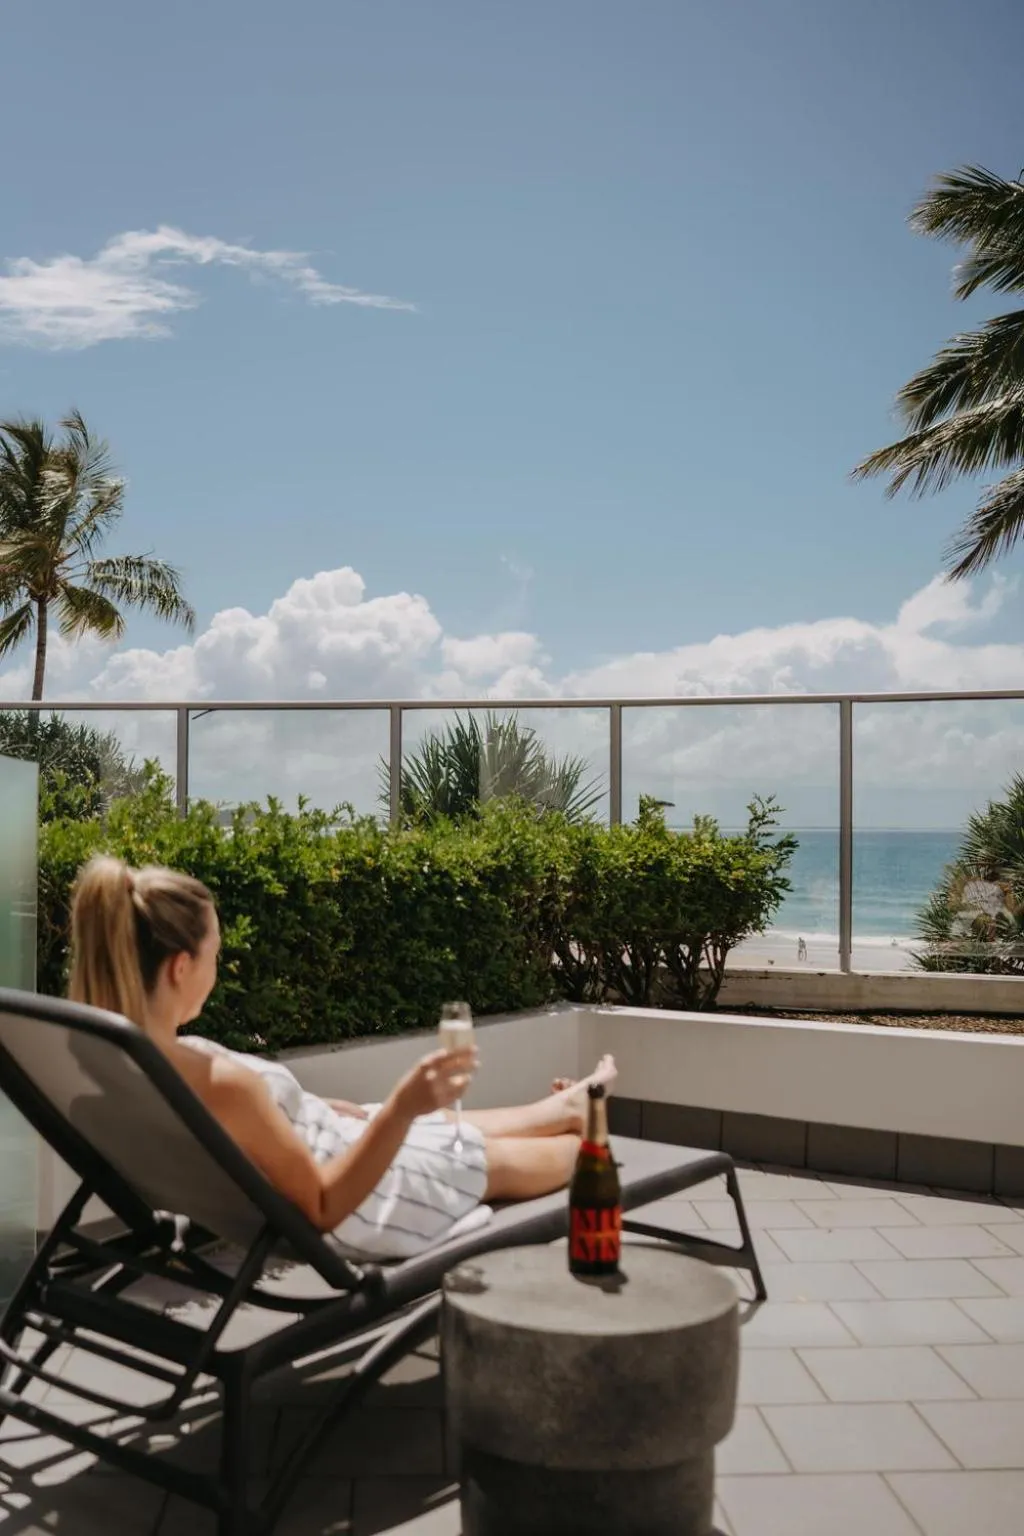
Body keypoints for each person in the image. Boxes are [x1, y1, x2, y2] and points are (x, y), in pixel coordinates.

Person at [67, 856, 617, 1261]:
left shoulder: (107, 1055)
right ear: (180, 968)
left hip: (328, 1141)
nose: (220, 965)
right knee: (565, 1157)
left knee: (426, 1122)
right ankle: (582, 1126)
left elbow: (255, 1133)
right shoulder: (218, 1085)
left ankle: (566, 1105)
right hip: (362, 1198)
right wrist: (403, 1106)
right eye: (216, 952)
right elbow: (324, 1207)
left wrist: (343, 1109)